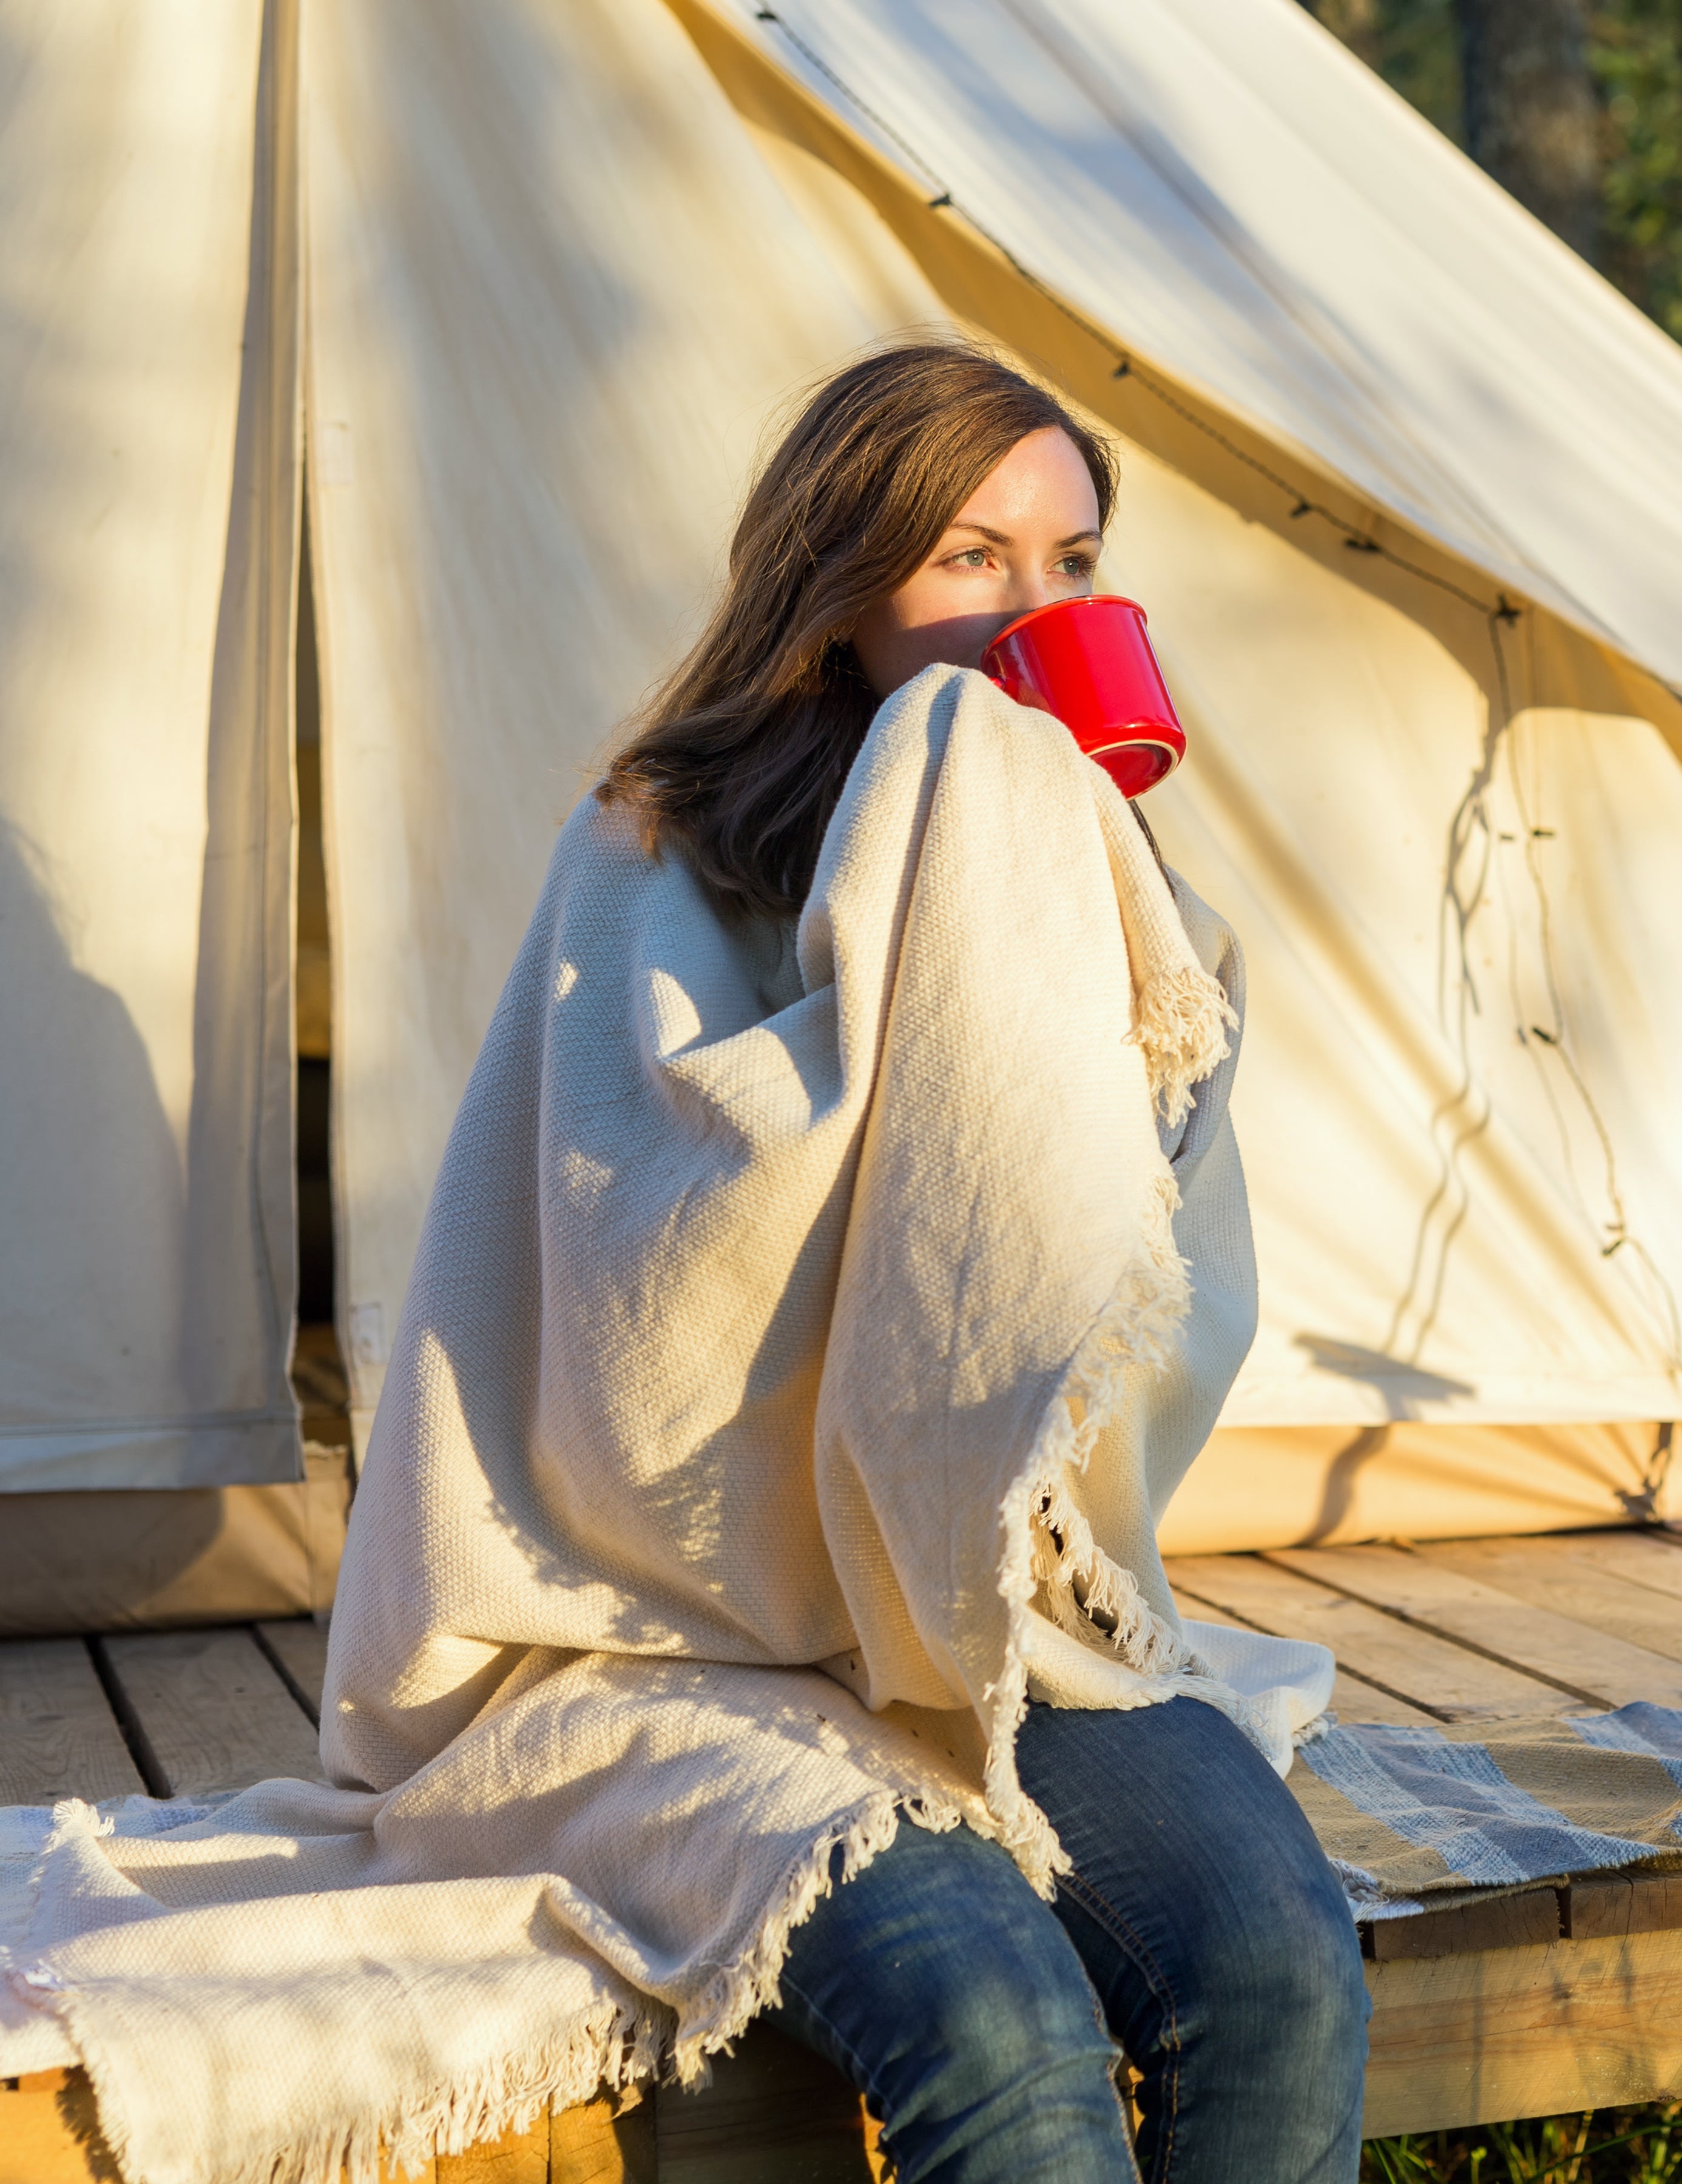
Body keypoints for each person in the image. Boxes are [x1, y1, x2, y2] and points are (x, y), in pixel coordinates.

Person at [586, 340, 1370, 2182]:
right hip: (705, 1636)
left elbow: (1158, 1313)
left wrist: (1099, 1063)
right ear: (844, 597)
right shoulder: (651, 869)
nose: (1035, 613)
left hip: (996, 1615)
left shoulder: (1133, 914)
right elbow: (628, 1293)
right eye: (971, 560)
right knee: (1003, 2048)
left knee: (1277, 1969)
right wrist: (889, 1031)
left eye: (1075, 566)